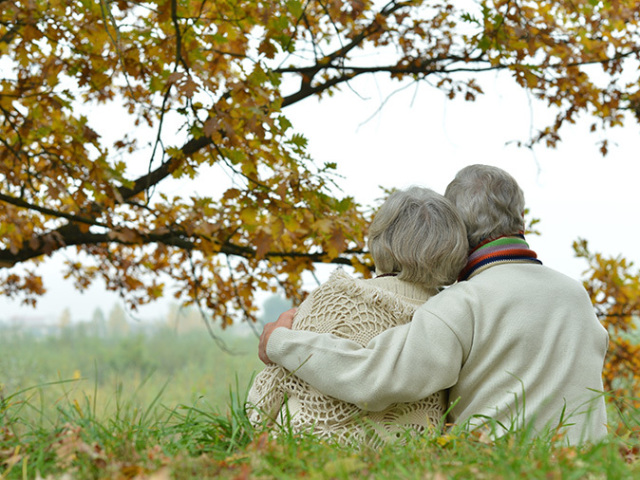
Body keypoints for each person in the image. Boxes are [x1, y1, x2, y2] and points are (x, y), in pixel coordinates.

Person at [259, 165, 609, 444]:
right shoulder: (574, 294)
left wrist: (280, 341)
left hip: (500, 465)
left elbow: (376, 377)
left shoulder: (466, 302)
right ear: (518, 215)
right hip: (586, 465)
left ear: (458, 230)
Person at [246, 187, 469, 446]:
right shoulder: (451, 318)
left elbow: (264, 403)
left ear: (379, 239)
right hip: (403, 465)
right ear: (454, 250)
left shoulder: (335, 298)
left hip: (303, 454)